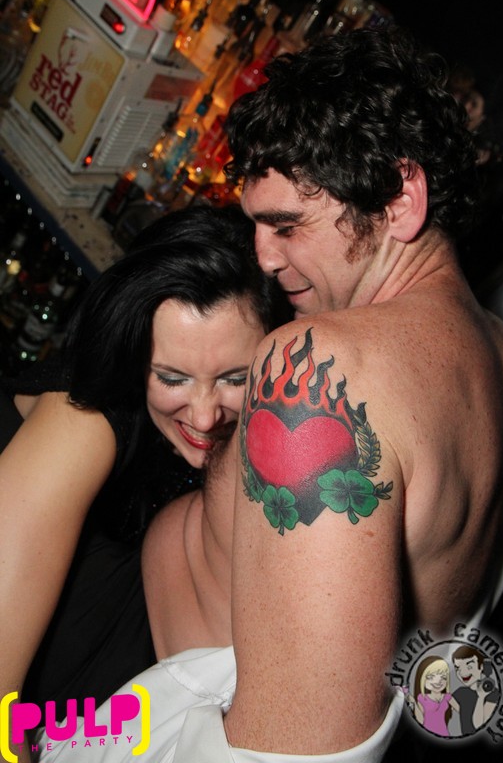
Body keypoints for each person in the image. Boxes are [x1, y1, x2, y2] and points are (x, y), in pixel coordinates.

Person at [36, 25, 503, 763]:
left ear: (400, 200)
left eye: (287, 226)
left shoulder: (325, 363)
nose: (263, 258)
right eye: (256, 226)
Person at [0, 204, 289, 763]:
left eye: (235, 378)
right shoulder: (84, 424)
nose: (204, 415)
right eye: (172, 378)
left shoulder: (242, 461)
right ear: (134, 358)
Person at [405, 656, 459, 737]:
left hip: (444, 733)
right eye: (431, 677)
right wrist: (414, 703)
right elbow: (421, 720)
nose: (438, 681)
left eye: (443, 677)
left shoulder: (447, 697)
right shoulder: (422, 698)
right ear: (422, 679)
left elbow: (462, 710)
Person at [451, 645, 500, 735]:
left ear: (481, 667)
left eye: (469, 667)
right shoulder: (460, 692)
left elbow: (479, 726)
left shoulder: (492, 693)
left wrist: (481, 697)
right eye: (458, 668)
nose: (462, 672)